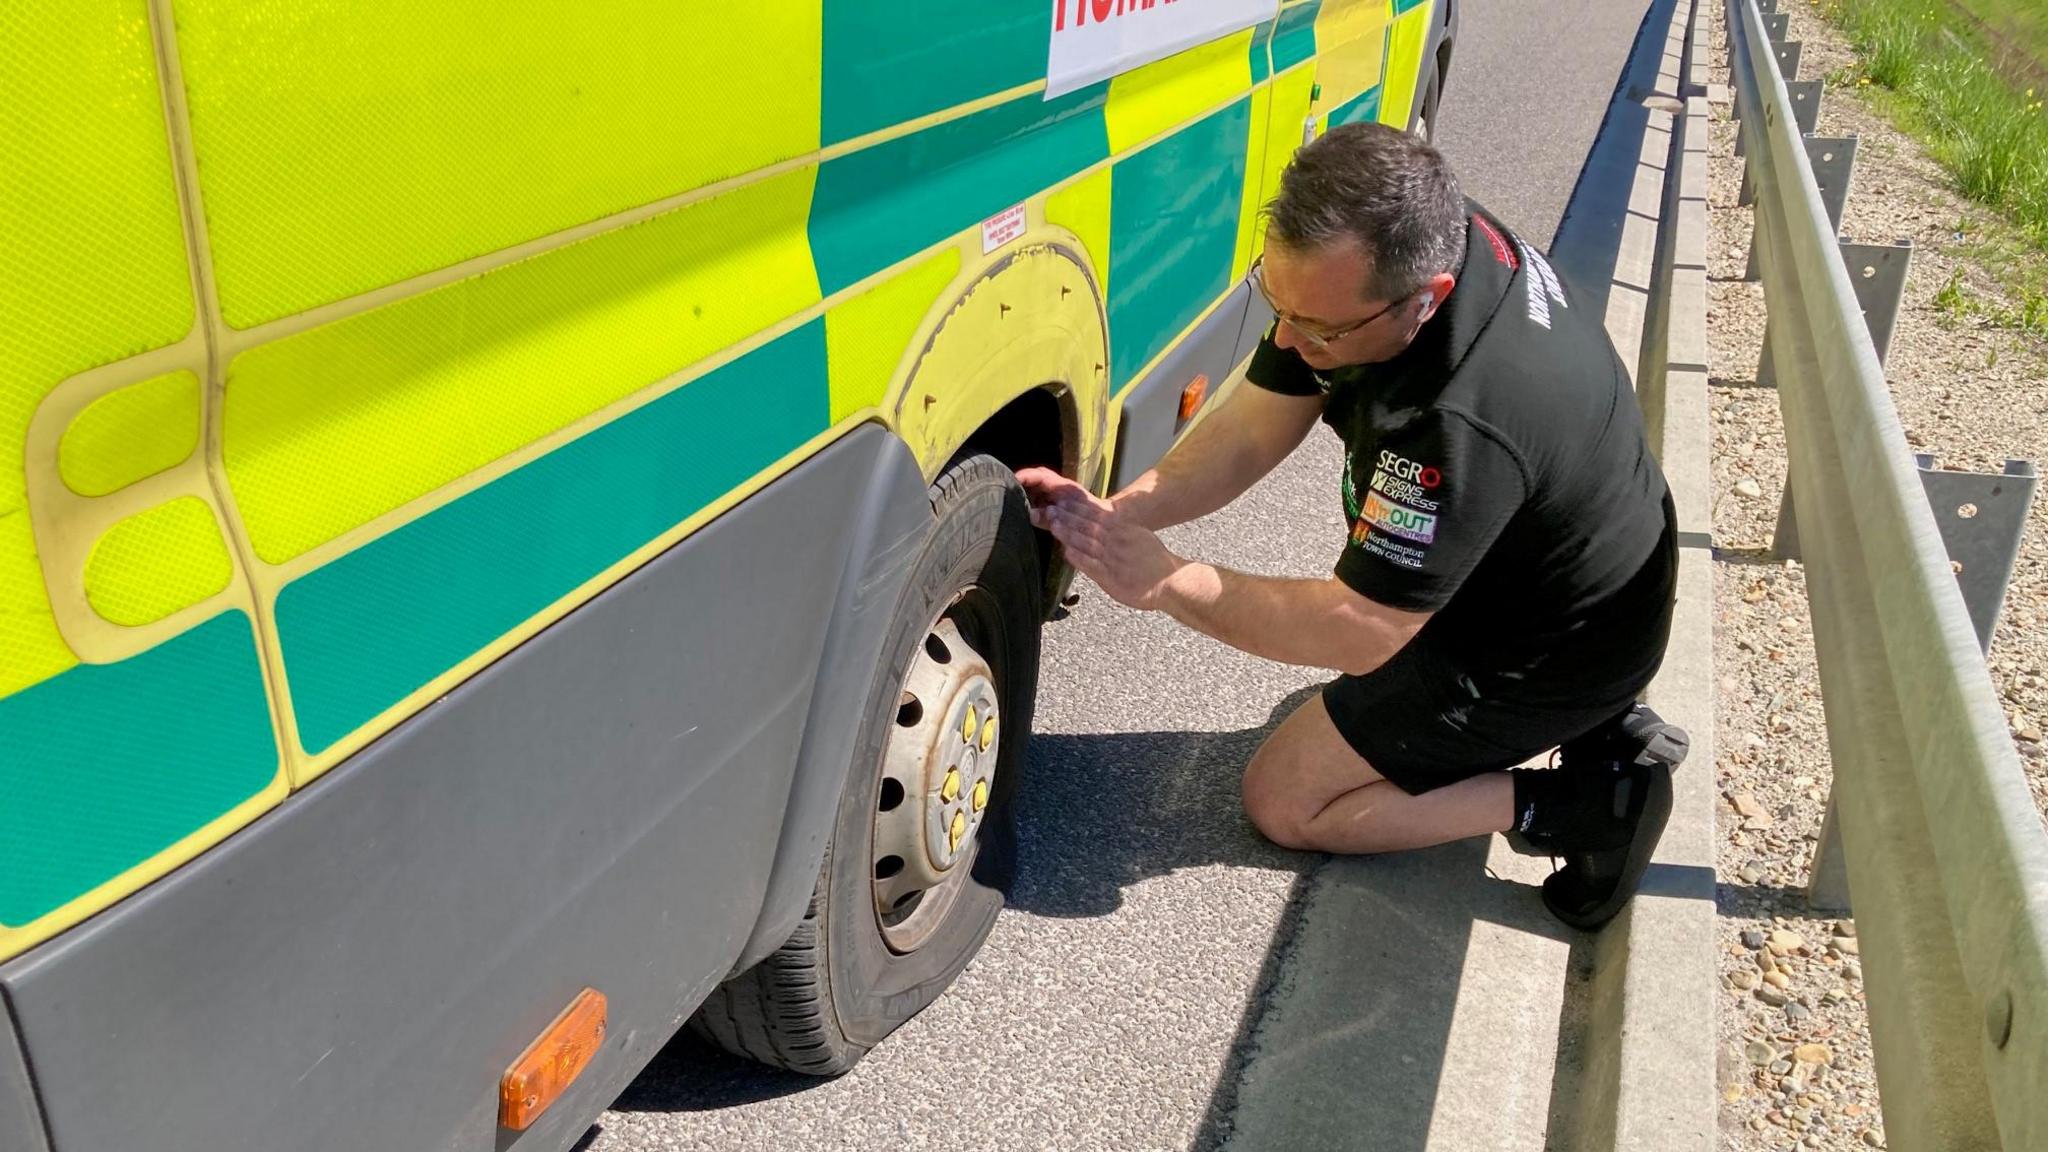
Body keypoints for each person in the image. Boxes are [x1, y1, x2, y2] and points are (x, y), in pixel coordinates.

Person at [1018, 122, 1688, 930]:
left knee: (1286, 799)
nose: (1293, 340)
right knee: (1334, 703)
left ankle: (1583, 803)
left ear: (1425, 297)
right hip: (1559, 572)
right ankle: (1588, 722)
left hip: (1555, 650)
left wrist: (1165, 580)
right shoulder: (1406, 238)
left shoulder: (1458, 414)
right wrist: (1113, 519)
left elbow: (1357, 630)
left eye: (1322, 329)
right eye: (1277, 302)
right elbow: (1256, 426)